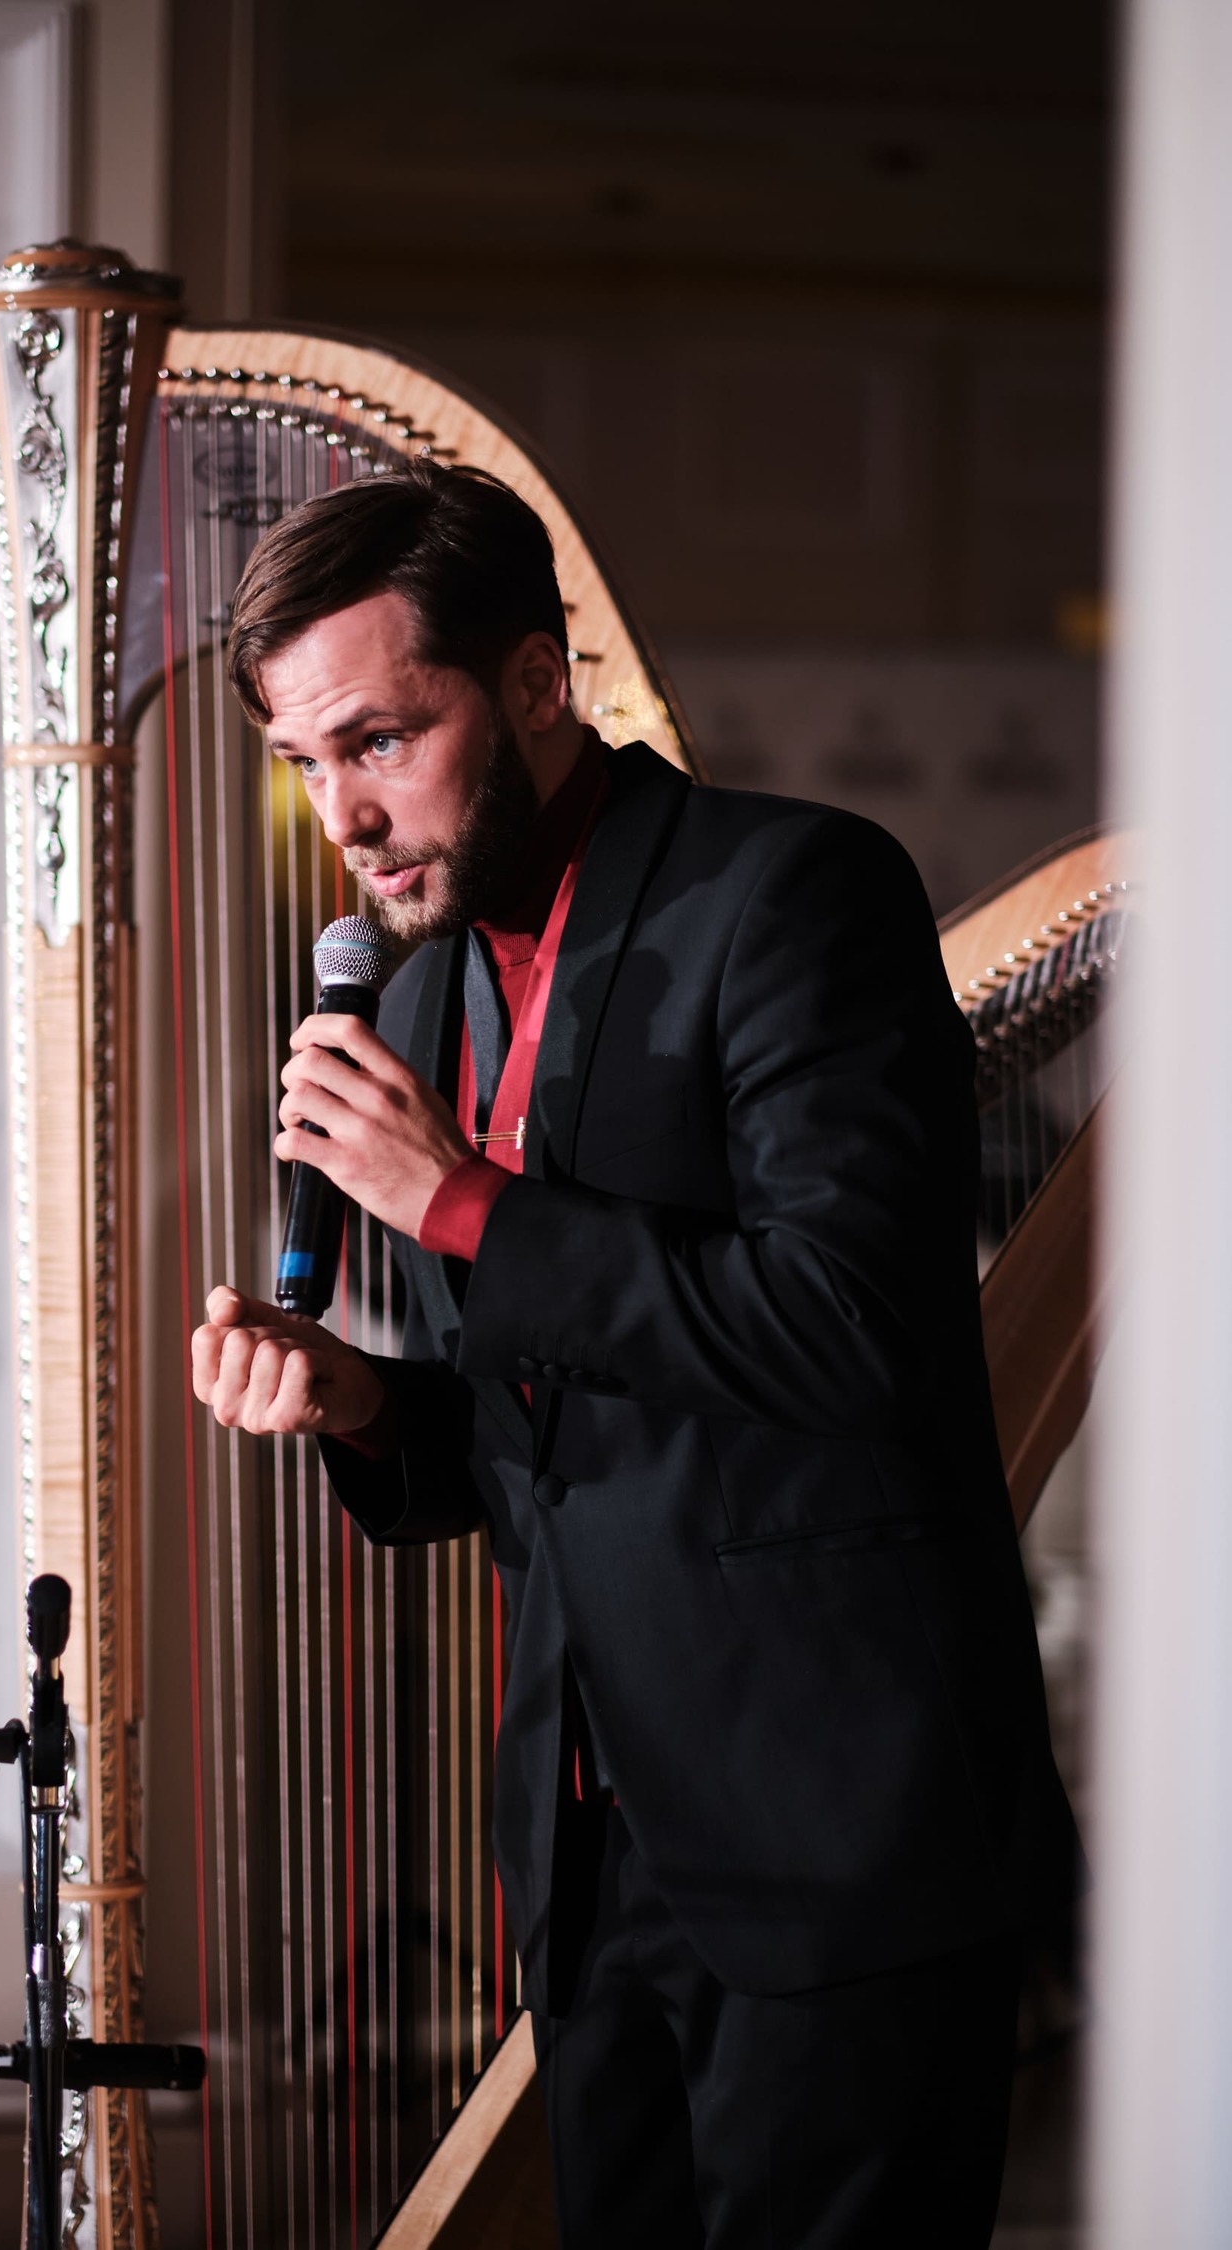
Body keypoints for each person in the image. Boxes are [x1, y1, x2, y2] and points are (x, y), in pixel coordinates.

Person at [190, 462, 1078, 2249]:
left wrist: (460, 1205)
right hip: (590, 1864)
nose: (343, 813)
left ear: (536, 683)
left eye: (381, 739)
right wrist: (361, 1401)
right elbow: (550, 1426)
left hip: (838, 1852)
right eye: (305, 762)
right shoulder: (425, 987)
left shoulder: (795, 892)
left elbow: (850, 1328)